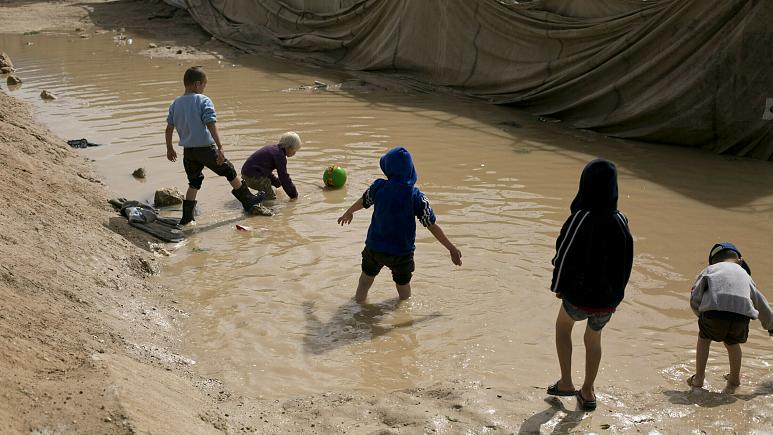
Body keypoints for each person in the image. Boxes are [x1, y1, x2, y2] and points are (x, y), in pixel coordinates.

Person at [547, 159, 633, 412]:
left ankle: (565, 382)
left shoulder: (581, 217)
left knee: (563, 328)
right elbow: (626, 262)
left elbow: (563, 254)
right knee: (593, 340)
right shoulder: (621, 220)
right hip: (607, 301)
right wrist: (617, 297)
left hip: (578, 295)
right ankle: (588, 390)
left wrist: (558, 286)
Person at [337, 147, 462, 303]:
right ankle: (403, 318)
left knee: (364, 282)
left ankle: (357, 307)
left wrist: (349, 211)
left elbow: (364, 201)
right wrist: (451, 248)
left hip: (374, 248)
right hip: (401, 253)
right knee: (404, 290)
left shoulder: (379, 186)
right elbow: (431, 225)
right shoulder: (416, 196)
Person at [165, 66, 263, 225]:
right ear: (197, 84)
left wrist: (169, 148)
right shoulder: (203, 100)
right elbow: (210, 123)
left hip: (188, 152)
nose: (204, 88)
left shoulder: (175, 103)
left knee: (194, 182)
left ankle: (187, 217)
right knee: (229, 170)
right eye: (204, 85)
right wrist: (220, 147)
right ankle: (248, 199)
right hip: (206, 149)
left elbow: (169, 128)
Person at [688, 243, 773, 392]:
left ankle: (699, 378)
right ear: (740, 261)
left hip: (713, 313)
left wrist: (700, 314)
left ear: (713, 262)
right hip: (741, 316)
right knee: (732, 343)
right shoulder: (745, 275)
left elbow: (696, 295)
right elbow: (760, 301)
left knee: (704, 339)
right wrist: (770, 325)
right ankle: (734, 379)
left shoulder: (710, 270)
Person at [241, 132, 301, 201]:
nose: (295, 153)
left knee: (265, 187)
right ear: (289, 148)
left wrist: (276, 182)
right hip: (252, 177)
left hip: (247, 175)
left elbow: (264, 170)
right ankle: (260, 207)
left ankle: (258, 199)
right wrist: (294, 195)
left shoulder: (274, 149)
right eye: (295, 150)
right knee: (271, 198)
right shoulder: (280, 156)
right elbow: (284, 178)